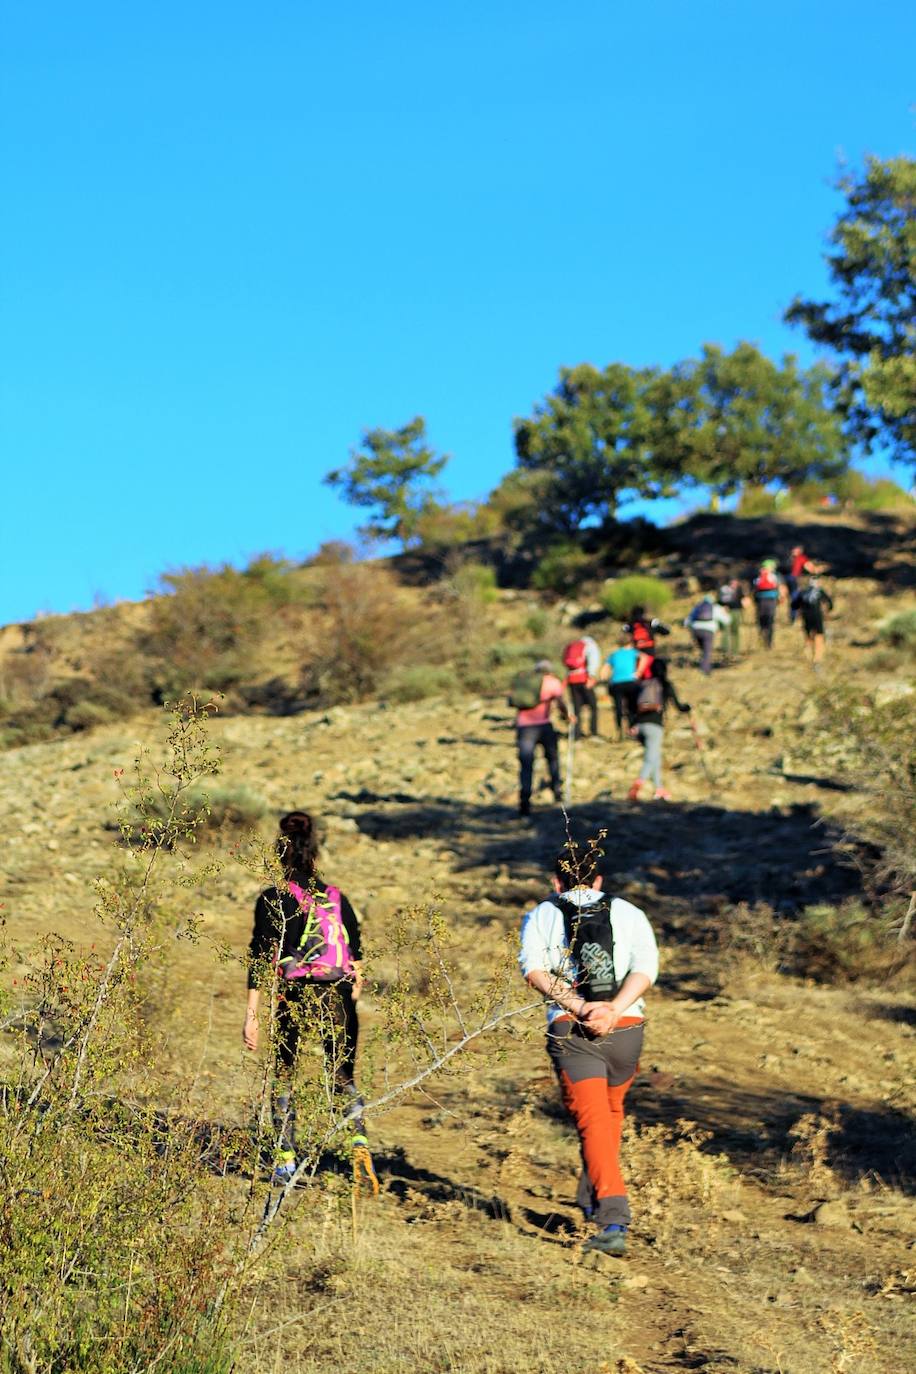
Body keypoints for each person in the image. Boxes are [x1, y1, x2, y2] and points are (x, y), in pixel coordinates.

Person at [519, 841, 659, 1256]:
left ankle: (613, 1217)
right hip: (628, 1030)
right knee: (609, 1116)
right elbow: (646, 966)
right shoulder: (630, 912)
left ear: (554, 880)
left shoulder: (543, 913)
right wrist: (614, 1009)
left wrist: (581, 1007)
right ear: (599, 879)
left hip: (572, 1030)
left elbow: (534, 971)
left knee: (595, 1122)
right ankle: (593, 1195)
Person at [244, 811, 369, 1186]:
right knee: (342, 1075)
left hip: (293, 995)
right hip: (337, 996)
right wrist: (348, 993)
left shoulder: (273, 899)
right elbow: (357, 961)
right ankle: (359, 1147)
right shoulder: (336, 898)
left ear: (279, 855)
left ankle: (285, 1160)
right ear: (315, 855)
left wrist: (251, 1015)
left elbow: (259, 959)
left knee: (284, 1074)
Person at [510, 658, 570, 817]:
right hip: (543, 725)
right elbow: (560, 703)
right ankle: (557, 791)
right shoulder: (552, 682)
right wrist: (567, 717)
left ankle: (524, 800)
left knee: (526, 765)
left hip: (524, 727)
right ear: (549, 669)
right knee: (552, 758)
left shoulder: (525, 681)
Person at [627, 657, 690, 802]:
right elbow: (679, 706)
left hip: (639, 725)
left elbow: (632, 707)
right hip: (654, 725)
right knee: (651, 758)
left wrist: (632, 724)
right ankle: (638, 784)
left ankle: (659, 788)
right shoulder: (665, 685)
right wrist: (687, 708)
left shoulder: (643, 685)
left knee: (655, 757)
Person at [600, 633, 639, 738]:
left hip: (616, 684)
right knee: (632, 707)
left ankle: (619, 730)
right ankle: (632, 729)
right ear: (631, 642)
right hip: (631, 682)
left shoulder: (614, 654)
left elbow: (604, 671)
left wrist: (604, 681)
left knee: (618, 707)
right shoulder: (634, 653)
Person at [563, 635, 601, 739]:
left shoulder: (571, 646)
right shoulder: (590, 645)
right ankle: (593, 733)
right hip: (584, 679)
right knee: (593, 706)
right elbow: (594, 661)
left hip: (571, 679)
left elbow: (564, 662)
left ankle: (576, 734)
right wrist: (592, 676)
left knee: (576, 708)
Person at [684, 594, 730, 675]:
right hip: (708, 631)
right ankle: (705, 670)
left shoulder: (697, 607)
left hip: (696, 630)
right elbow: (726, 620)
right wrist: (726, 613)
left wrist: (690, 628)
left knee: (703, 650)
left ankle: (703, 664)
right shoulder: (716, 607)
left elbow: (687, 621)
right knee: (707, 651)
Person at [796, 575, 834, 669]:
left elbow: (795, 605)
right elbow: (830, 604)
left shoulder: (803, 592)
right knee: (819, 636)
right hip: (817, 616)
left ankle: (808, 653)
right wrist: (827, 612)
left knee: (808, 636)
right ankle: (817, 659)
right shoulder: (819, 591)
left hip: (806, 617)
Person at [624, 606, 670, 679]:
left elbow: (622, 638)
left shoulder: (629, 625)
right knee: (649, 674)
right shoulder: (650, 623)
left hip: (636, 654)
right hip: (650, 653)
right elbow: (666, 632)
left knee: (639, 674)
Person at [752, 559, 783, 650]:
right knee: (769, 620)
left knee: (762, 620)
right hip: (771, 600)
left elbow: (754, 589)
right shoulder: (775, 576)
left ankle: (763, 639)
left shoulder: (758, 577)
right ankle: (768, 642)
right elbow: (779, 587)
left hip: (761, 600)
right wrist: (780, 597)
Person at [716, 578, 745, 660]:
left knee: (735, 631)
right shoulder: (724, 590)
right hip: (727, 612)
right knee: (726, 630)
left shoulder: (739, 590)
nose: (734, 584)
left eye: (736, 583)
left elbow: (743, 600)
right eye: (733, 582)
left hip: (737, 611)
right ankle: (725, 650)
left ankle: (735, 651)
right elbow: (720, 601)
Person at [786, 546, 812, 623]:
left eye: (795, 549)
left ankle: (794, 616)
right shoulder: (790, 558)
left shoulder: (801, 558)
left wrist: (814, 573)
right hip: (789, 578)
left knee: (795, 597)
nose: (792, 550)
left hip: (794, 578)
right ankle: (793, 615)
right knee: (793, 597)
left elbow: (809, 566)